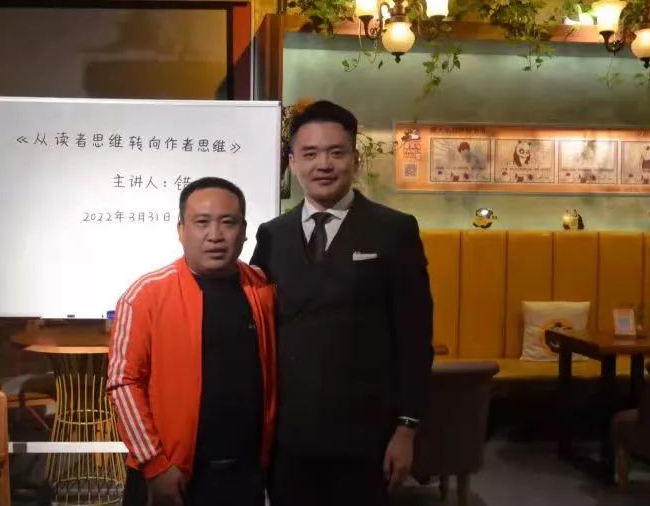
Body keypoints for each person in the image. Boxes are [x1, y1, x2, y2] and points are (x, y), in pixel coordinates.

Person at [251, 100, 433, 506]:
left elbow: (415, 339)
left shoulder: (394, 231)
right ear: (293, 163)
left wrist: (407, 428)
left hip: (365, 435)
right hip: (288, 435)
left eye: (336, 152)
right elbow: (258, 331)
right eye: (310, 154)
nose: (324, 164)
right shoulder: (272, 234)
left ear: (355, 158)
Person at [107, 177, 277, 506]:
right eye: (202, 222)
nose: (215, 235)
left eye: (227, 222)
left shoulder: (260, 288)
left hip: (245, 474)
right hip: (171, 475)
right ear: (181, 230)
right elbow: (123, 383)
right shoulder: (145, 294)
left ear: (244, 231)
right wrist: (155, 464)